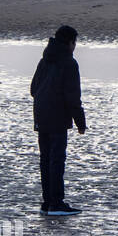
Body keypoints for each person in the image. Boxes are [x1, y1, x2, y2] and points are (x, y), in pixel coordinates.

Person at [30, 25, 86, 216]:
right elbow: (72, 97)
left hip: (41, 114)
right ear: (70, 42)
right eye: (74, 43)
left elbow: (33, 89)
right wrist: (81, 123)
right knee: (57, 160)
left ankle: (47, 202)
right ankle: (56, 203)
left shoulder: (44, 59)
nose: (75, 47)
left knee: (45, 159)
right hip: (57, 116)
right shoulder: (69, 63)